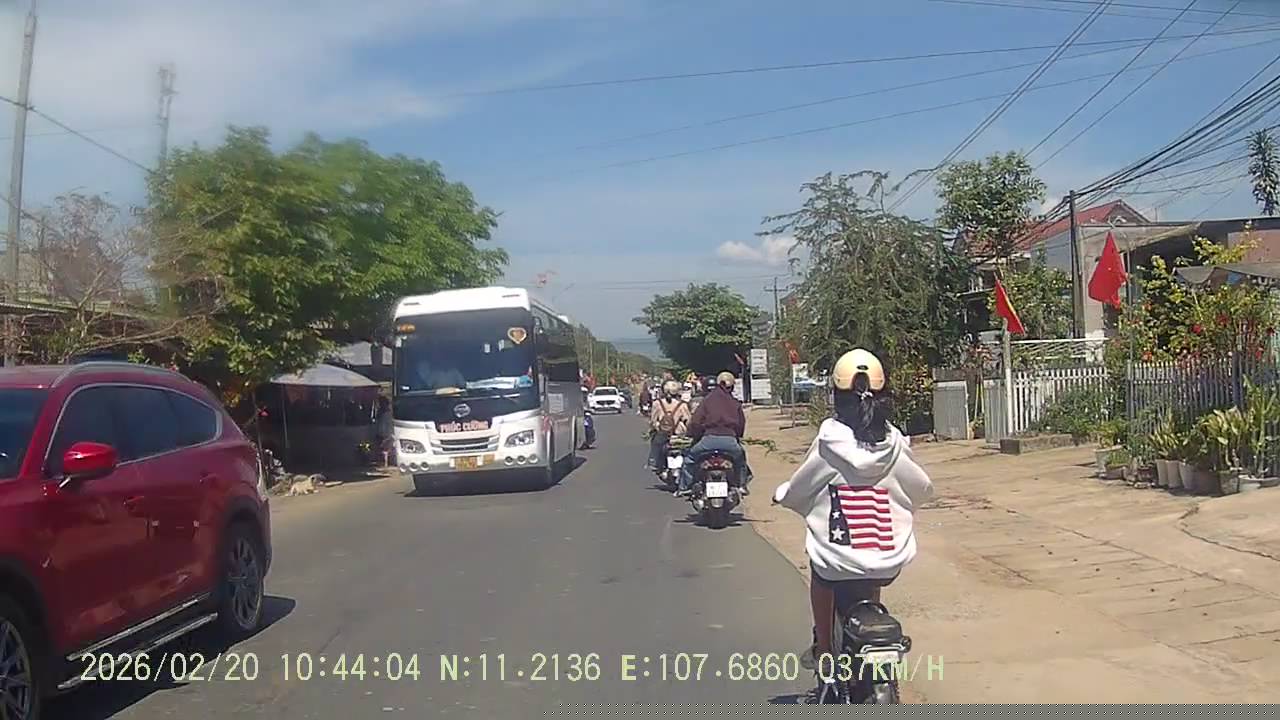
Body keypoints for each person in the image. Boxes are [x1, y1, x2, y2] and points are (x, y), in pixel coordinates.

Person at [770, 349, 933, 704]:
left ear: (836, 395)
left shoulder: (829, 442)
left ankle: (826, 654)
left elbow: (800, 488)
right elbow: (922, 488)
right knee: (870, 564)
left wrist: (784, 495)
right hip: (888, 562)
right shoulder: (894, 442)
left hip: (838, 561)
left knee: (821, 568)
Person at [676, 371, 751, 496]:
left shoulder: (707, 401)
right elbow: (740, 424)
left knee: (690, 458)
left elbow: (696, 422)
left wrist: (692, 435)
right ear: (732, 387)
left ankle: (684, 487)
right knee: (740, 461)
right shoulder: (735, 402)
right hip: (730, 442)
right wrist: (736, 437)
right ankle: (742, 485)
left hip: (708, 441)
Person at [648, 380, 691, 470]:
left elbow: (653, 421)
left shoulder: (657, 403)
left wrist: (653, 428)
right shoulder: (682, 405)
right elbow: (688, 421)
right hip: (678, 435)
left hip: (662, 434)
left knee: (656, 445)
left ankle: (654, 463)